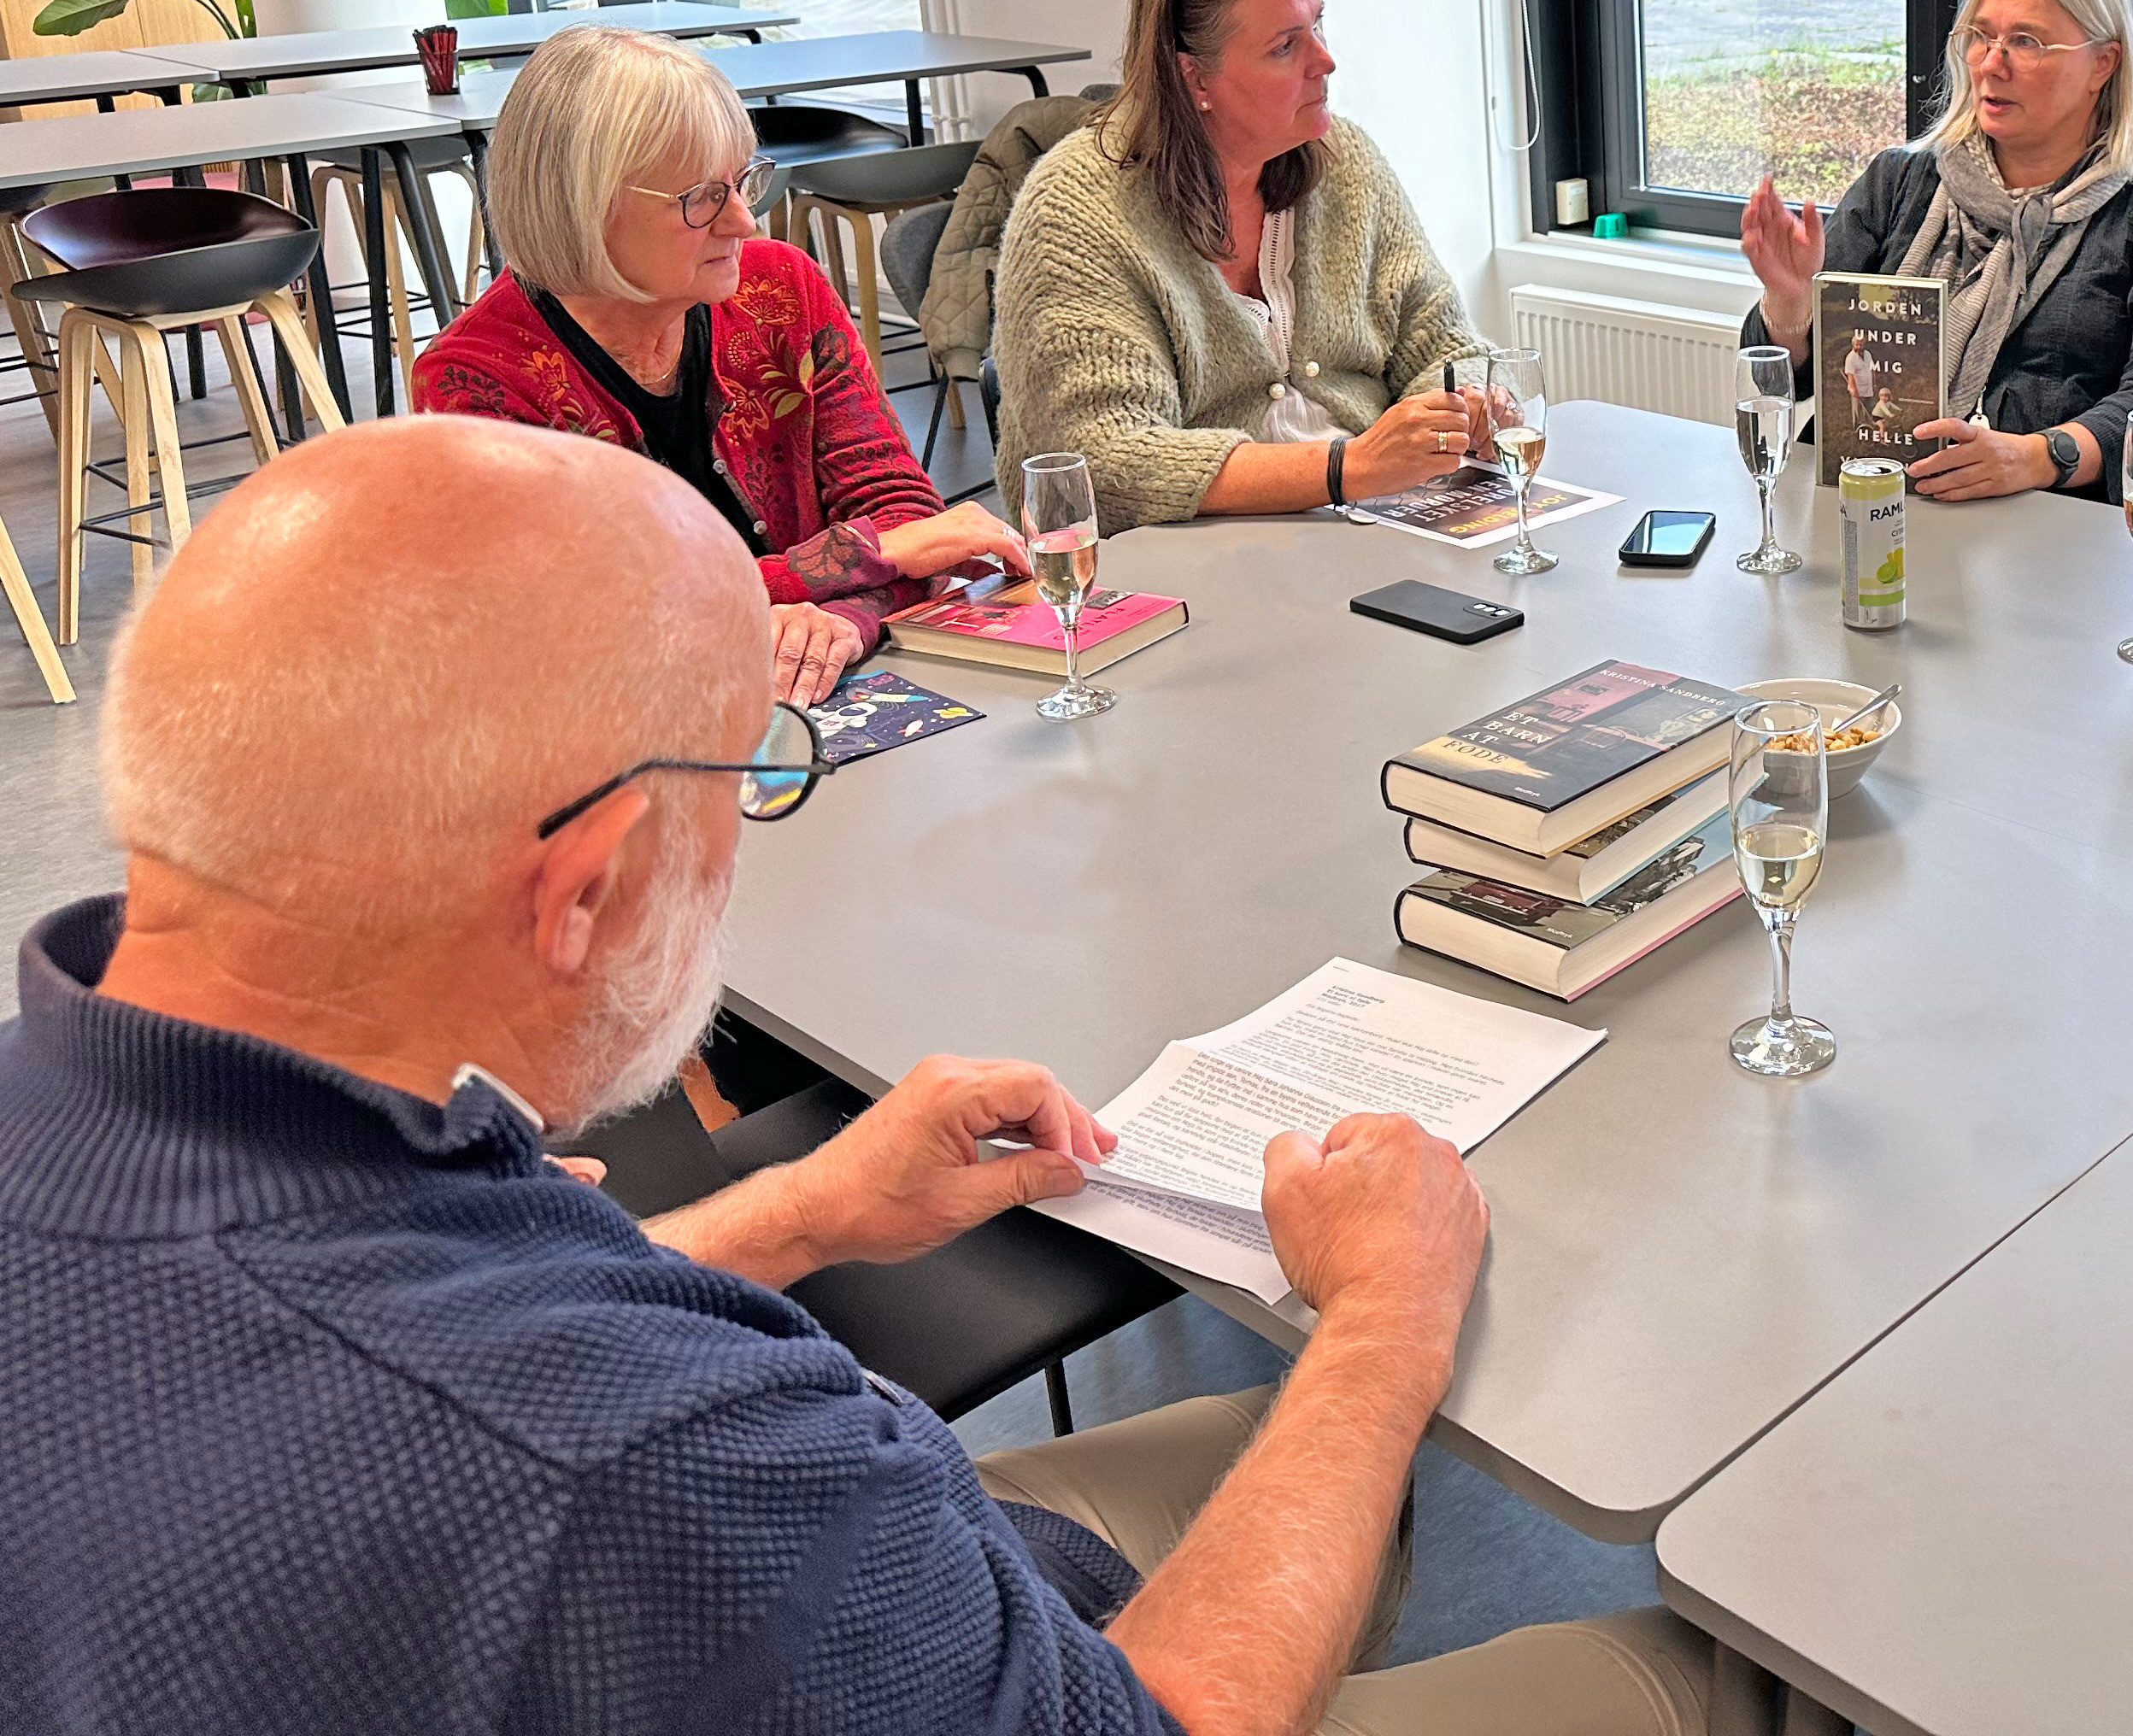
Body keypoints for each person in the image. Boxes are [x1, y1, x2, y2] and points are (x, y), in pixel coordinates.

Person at [0, 415, 1713, 1731]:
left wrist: (804, 1207)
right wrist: (1389, 1315)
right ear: (582, 891)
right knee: (1711, 1668)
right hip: (873, 1625)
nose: (749, 829)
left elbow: (391, 1345)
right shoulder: (652, 1456)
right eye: (748, 774)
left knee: (1292, 1462)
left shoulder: (99, 1112)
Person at [410, 26, 1025, 707]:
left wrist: (840, 623)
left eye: (742, 182)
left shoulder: (781, 289)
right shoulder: (478, 381)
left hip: (815, 697)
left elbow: (905, 517)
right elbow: (588, 627)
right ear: (585, 208)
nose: (744, 222)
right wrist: (857, 559)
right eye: (702, 197)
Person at [995, 0, 1493, 530]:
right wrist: (1349, 467)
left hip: (1370, 526)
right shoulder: (1077, 211)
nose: (1325, 61)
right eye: (1285, 46)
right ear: (1194, 78)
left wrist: (1467, 405)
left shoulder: (1346, 162)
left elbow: (1447, 347)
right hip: (1185, 552)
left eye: (1317, 25)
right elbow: (1104, 461)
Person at [1738, 0, 2133, 518]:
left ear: (2103, 63)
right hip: (1877, 510)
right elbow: (1783, 384)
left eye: (2026, 42)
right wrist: (1792, 305)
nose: (1991, 64)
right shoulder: (1899, 183)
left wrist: (2038, 456)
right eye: (1980, 36)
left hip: (2065, 532)